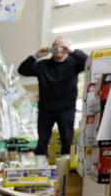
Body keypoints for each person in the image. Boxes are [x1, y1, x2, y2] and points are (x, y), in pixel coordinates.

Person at [17, 36, 87, 164]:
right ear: (51, 49)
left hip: (66, 107)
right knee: (42, 139)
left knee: (67, 138)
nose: (59, 49)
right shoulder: (43, 65)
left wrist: (72, 51)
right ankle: (40, 165)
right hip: (46, 108)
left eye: (62, 46)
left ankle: (65, 166)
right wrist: (36, 56)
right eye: (56, 46)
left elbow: (88, 63)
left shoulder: (74, 63)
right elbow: (22, 70)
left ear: (67, 48)